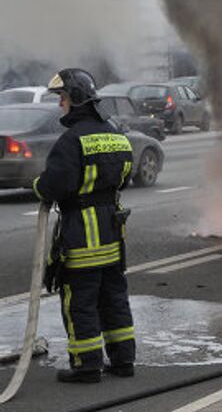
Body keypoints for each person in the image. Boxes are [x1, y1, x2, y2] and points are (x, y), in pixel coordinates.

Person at [32, 68, 136, 383]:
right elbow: (126, 177)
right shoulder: (115, 133)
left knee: (80, 302)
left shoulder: (71, 140)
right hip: (112, 232)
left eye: (62, 98)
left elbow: (54, 186)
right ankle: (123, 361)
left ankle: (87, 364)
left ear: (75, 100)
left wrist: (37, 185)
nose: (60, 104)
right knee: (114, 298)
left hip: (81, 236)